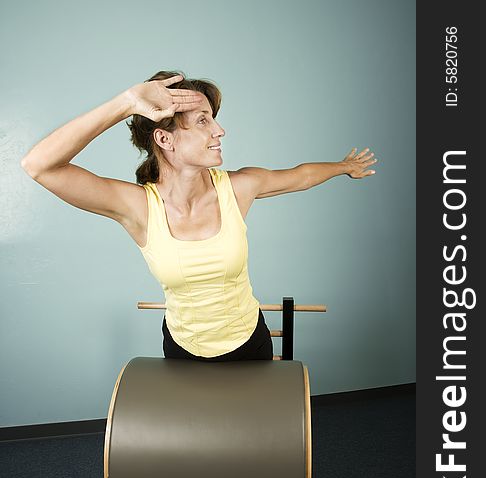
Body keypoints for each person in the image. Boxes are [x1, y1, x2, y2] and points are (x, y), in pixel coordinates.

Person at [20, 70, 377, 362]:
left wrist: (345, 166)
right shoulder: (139, 207)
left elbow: (301, 175)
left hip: (250, 344)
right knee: (194, 448)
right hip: (182, 350)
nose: (219, 131)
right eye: (203, 121)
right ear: (164, 138)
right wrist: (126, 104)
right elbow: (39, 165)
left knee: (253, 445)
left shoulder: (238, 188)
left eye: (214, 120)